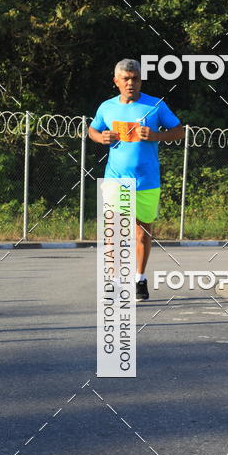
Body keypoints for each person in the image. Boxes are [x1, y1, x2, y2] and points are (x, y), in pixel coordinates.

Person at [88, 59, 185, 301]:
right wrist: (102, 138)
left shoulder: (155, 106)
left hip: (147, 180)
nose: (131, 83)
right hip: (115, 179)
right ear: (116, 82)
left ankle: (139, 279)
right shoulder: (107, 107)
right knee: (113, 231)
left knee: (142, 233)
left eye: (135, 79)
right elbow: (93, 130)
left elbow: (179, 130)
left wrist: (156, 135)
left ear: (141, 80)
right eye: (126, 79)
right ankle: (114, 280)